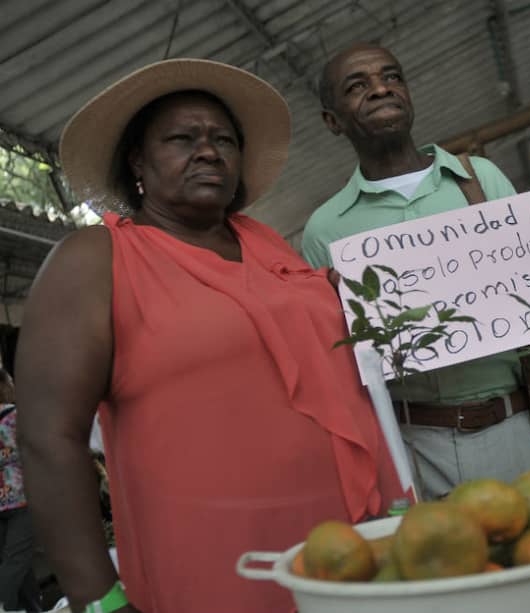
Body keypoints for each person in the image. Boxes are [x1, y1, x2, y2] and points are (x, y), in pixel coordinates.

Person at [16, 59, 404, 613]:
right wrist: (99, 599)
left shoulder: (269, 245)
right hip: (216, 572)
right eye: (182, 139)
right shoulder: (96, 259)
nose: (208, 151)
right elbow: (48, 437)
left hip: (347, 552)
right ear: (137, 162)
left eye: (223, 139)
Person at [302, 44, 530, 500]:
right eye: (358, 86)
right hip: (410, 443)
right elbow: (337, 358)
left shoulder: (483, 181)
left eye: (391, 76)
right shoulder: (324, 230)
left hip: (511, 427)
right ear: (332, 121)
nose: (380, 89)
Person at [0, 369, 39, 612]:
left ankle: (31, 608)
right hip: (22, 500)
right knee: (16, 562)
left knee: (16, 564)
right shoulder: (17, 417)